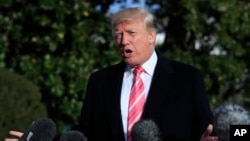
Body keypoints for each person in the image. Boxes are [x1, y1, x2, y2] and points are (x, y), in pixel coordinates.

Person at [5, 7, 218, 141]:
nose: (124, 41)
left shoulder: (187, 78)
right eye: (118, 35)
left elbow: (207, 129)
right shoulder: (100, 81)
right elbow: (82, 135)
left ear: (151, 36)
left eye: (131, 33)